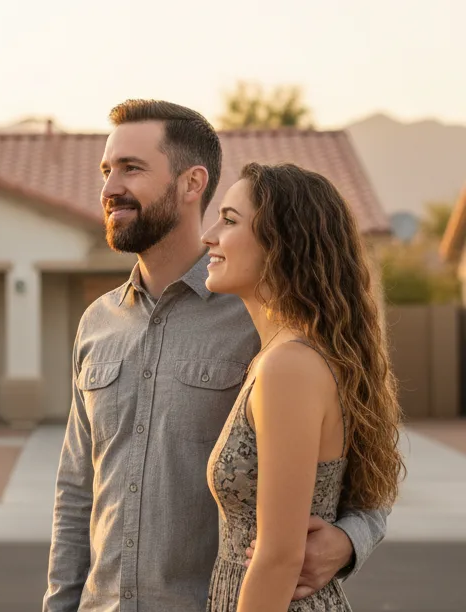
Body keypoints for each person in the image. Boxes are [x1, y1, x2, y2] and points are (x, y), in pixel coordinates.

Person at [42, 99, 390, 612]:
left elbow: (363, 472)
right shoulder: (97, 323)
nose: (110, 188)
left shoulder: (264, 323)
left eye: (132, 169)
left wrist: (348, 541)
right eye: (106, 171)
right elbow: (76, 489)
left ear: (192, 183)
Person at [201, 162, 405, 611]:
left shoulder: (288, 366)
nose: (208, 235)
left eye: (230, 220)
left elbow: (277, 557)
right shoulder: (281, 356)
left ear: (281, 243)